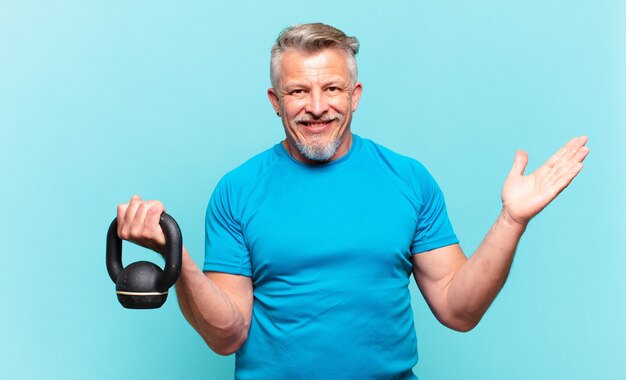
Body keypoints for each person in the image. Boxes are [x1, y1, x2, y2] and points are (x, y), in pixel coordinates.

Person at [116, 23, 589, 379]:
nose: (317, 106)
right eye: (298, 90)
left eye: (332, 88)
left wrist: (511, 220)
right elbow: (227, 334)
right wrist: (176, 260)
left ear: (356, 95)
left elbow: (458, 309)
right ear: (275, 101)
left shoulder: (408, 179)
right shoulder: (237, 190)